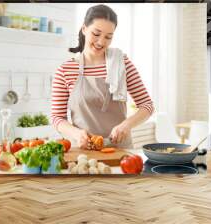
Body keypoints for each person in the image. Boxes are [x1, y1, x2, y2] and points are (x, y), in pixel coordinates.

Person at [51, 4, 154, 149]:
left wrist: (126, 125)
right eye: (96, 34)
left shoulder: (122, 64)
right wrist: (76, 133)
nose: (101, 42)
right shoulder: (66, 70)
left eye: (108, 37)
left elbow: (147, 105)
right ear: (84, 29)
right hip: (83, 151)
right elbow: (57, 118)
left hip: (120, 150)